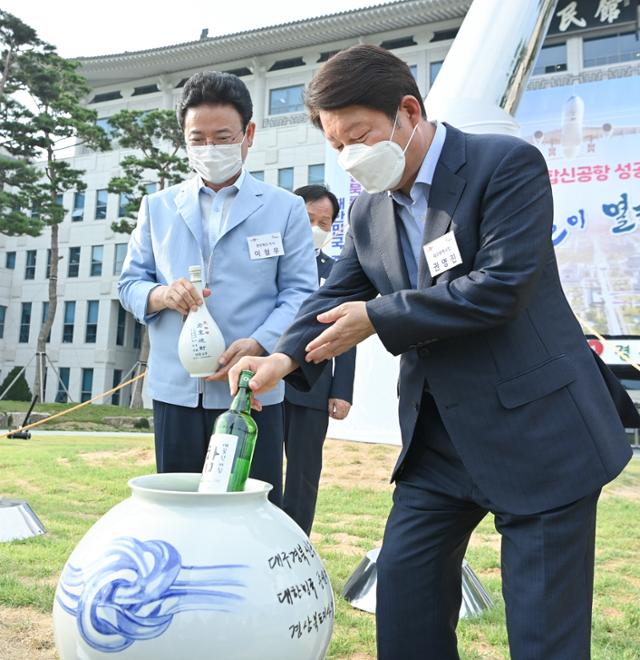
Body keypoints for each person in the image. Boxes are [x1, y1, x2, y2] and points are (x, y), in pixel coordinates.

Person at [228, 45, 640, 659]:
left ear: (409, 111)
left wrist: (378, 317)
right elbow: (335, 294)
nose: (350, 157)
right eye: (337, 146)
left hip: (538, 433)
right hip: (440, 442)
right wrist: (281, 358)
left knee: (543, 636)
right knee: (406, 602)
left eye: (361, 136)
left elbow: (503, 286)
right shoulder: (369, 210)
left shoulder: (504, 165)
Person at [118, 71, 317, 507]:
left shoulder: (284, 209)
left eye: (222, 137)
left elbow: (300, 293)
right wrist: (162, 295)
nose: (210, 149)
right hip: (176, 387)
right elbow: (129, 284)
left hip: (253, 386)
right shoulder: (157, 207)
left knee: (250, 506)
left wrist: (261, 343)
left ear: (248, 134)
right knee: (179, 508)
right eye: (198, 138)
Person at [283, 184, 356, 535]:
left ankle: (297, 544)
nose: (316, 227)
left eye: (324, 222)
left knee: (303, 471)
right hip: (263, 382)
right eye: (309, 218)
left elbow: (348, 333)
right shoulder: (268, 261)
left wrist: (341, 390)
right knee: (258, 468)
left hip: (314, 385)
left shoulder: (338, 269)